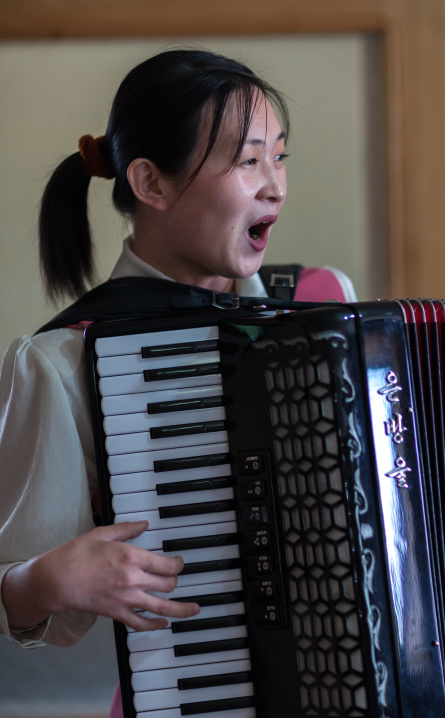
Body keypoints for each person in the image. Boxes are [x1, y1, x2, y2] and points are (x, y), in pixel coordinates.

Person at [0, 49, 357, 715]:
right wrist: (40, 580)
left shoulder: (326, 303)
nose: (275, 186)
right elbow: (29, 603)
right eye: (248, 160)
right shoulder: (61, 363)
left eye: (280, 156)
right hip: (191, 696)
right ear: (151, 184)